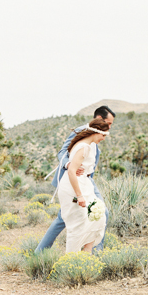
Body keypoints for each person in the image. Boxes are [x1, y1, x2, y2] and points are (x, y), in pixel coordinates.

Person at [35, 106, 116, 253]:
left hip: (87, 181)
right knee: (64, 219)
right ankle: (41, 252)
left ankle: (93, 251)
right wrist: (68, 164)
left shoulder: (96, 136)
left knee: (100, 213)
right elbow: (62, 152)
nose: (109, 127)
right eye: (108, 123)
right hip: (74, 180)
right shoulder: (82, 132)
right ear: (99, 119)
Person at [57, 117, 110, 252]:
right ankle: (72, 261)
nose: (103, 138)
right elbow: (71, 172)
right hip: (74, 186)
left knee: (97, 219)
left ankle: (86, 258)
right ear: (95, 132)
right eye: (103, 135)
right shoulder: (84, 147)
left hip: (85, 184)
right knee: (77, 225)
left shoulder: (87, 145)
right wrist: (79, 196)